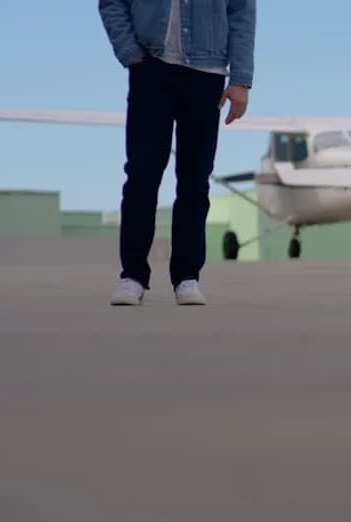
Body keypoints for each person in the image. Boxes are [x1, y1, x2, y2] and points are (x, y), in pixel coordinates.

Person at [99, 0, 256, 306]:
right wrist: (129, 53)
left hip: (206, 73)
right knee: (142, 175)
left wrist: (240, 78)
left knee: (194, 180)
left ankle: (187, 277)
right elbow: (111, 3)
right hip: (151, 67)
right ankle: (132, 276)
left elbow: (241, 12)